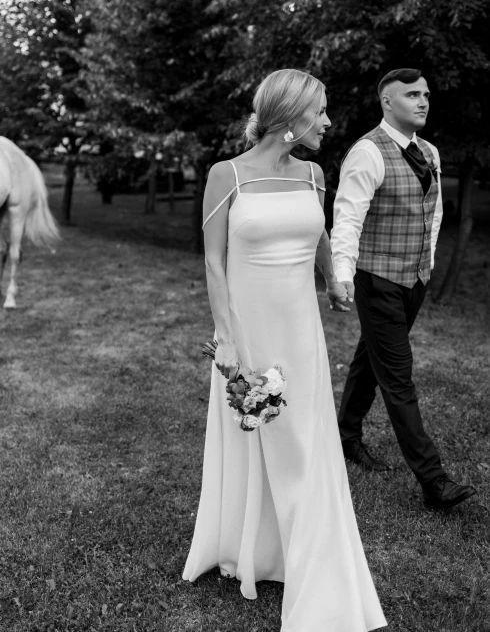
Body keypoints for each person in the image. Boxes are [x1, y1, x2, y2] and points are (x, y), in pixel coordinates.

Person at [183, 69, 387, 632]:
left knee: (303, 438)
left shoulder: (315, 175)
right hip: (249, 331)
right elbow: (214, 262)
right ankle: (256, 551)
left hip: (301, 333)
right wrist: (225, 338)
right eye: (320, 112)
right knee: (254, 434)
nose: (327, 122)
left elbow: (317, 235)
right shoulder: (227, 176)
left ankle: (310, 549)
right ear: (290, 117)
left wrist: (332, 279)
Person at [331, 68, 477, 510]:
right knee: (398, 377)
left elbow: (430, 214)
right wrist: (341, 274)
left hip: (414, 277)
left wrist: (427, 263)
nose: (423, 102)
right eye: (412, 94)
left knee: (369, 358)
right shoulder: (367, 153)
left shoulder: (429, 151)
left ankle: (345, 435)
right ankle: (434, 481)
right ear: (387, 102)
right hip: (377, 279)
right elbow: (348, 217)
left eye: (426, 94)